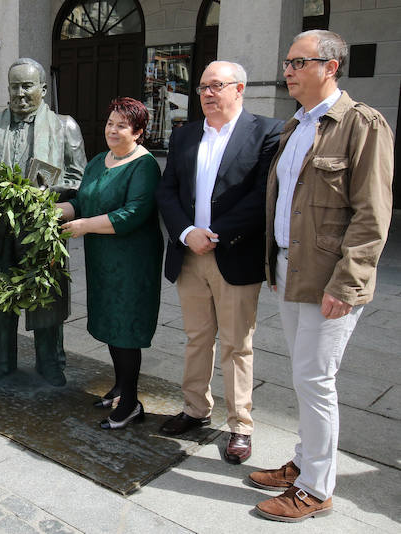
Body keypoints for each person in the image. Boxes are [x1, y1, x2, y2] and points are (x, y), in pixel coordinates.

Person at [251, 30, 393, 522]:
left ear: (330, 67)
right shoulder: (296, 126)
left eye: (298, 61)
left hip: (331, 278)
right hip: (292, 269)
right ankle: (305, 462)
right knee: (303, 376)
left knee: (316, 379)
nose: (287, 69)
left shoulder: (361, 124)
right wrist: (273, 262)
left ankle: (316, 488)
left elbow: (372, 214)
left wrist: (348, 283)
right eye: (287, 61)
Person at [155, 61, 283, 463]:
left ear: (239, 89)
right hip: (190, 254)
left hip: (234, 254)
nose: (208, 94)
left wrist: (216, 234)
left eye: (217, 86)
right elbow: (167, 191)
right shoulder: (185, 135)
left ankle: (240, 425)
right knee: (197, 339)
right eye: (202, 88)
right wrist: (186, 232)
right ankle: (195, 409)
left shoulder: (267, 131)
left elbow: (263, 193)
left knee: (236, 344)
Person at [0, 57, 87, 386]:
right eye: (14, 87)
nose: (20, 94)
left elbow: (81, 179)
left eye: (27, 86)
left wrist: (51, 193)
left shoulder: (65, 127)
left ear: (43, 89)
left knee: (46, 297)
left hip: (41, 230)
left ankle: (51, 362)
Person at [56, 97, 162, 429]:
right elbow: (83, 201)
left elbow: (132, 215)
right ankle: (119, 387)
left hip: (132, 261)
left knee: (126, 328)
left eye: (122, 126)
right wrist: (52, 211)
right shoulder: (100, 160)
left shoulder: (144, 166)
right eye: (110, 123)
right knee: (111, 325)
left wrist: (84, 225)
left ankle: (130, 403)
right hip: (103, 258)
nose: (112, 130)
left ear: (139, 132)